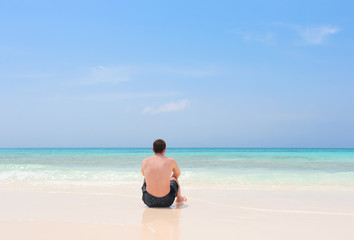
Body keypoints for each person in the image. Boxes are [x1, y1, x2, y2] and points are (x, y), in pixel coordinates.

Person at [141, 139, 187, 207]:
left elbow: (144, 174)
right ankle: (179, 198)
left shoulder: (145, 161)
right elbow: (177, 174)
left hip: (149, 201)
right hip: (167, 201)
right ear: (164, 149)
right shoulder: (171, 161)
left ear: (153, 150)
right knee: (174, 178)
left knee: (145, 179)